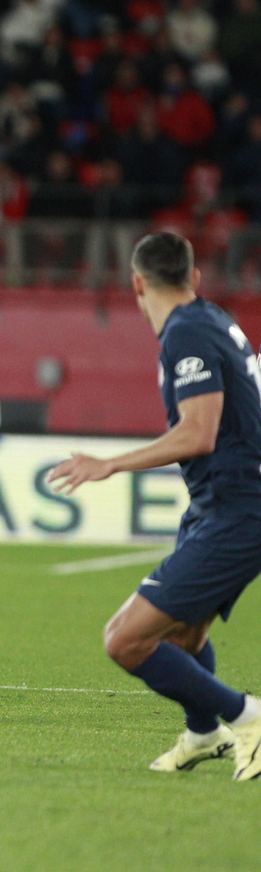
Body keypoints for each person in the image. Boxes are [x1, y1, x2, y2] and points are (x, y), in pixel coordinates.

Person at [49, 232, 261, 778]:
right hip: (223, 502)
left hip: (238, 508)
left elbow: (198, 433)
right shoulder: (211, 319)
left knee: (125, 640)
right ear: (193, 277)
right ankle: (203, 732)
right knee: (183, 636)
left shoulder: (186, 334)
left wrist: (110, 463)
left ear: (136, 283)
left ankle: (247, 717)